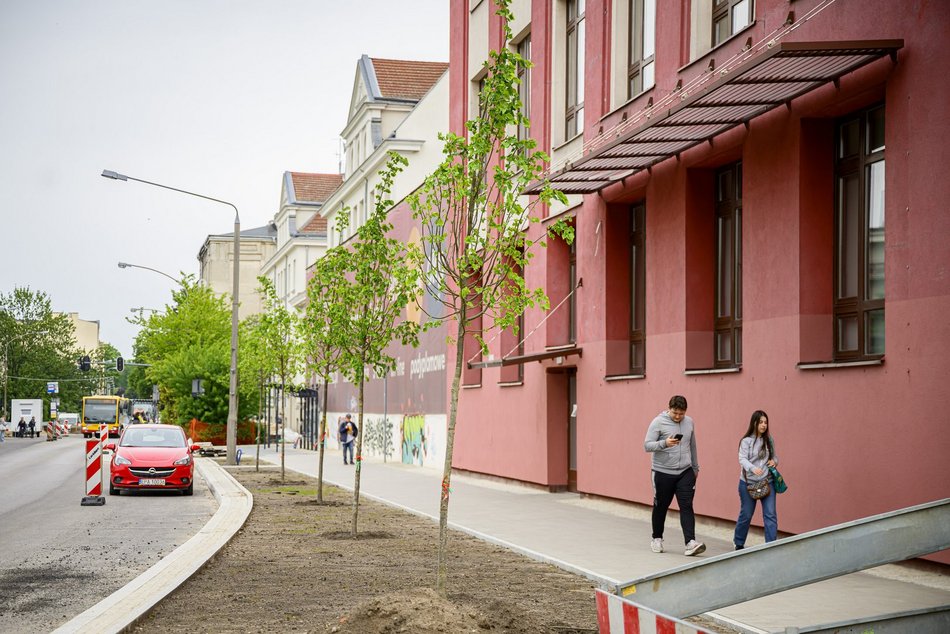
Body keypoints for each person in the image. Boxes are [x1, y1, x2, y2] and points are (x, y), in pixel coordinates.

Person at [643, 395, 705, 556]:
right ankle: (657, 538)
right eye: (675, 413)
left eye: (681, 413)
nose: (678, 416)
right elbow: (647, 445)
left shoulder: (689, 422)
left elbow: (693, 445)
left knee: (686, 505)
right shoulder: (658, 422)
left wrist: (695, 468)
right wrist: (665, 443)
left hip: (685, 471)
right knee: (661, 506)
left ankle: (690, 542)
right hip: (662, 472)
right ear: (669, 408)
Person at [734, 410, 779, 550]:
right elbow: (742, 458)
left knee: (770, 514)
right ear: (754, 423)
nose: (764, 425)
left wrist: (774, 461)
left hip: (767, 482)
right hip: (748, 484)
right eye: (761, 422)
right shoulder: (746, 441)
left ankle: (771, 546)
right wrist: (753, 468)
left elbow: (775, 456)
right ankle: (739, 542)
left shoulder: (769, 440)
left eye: (765, 422)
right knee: (746, 514)